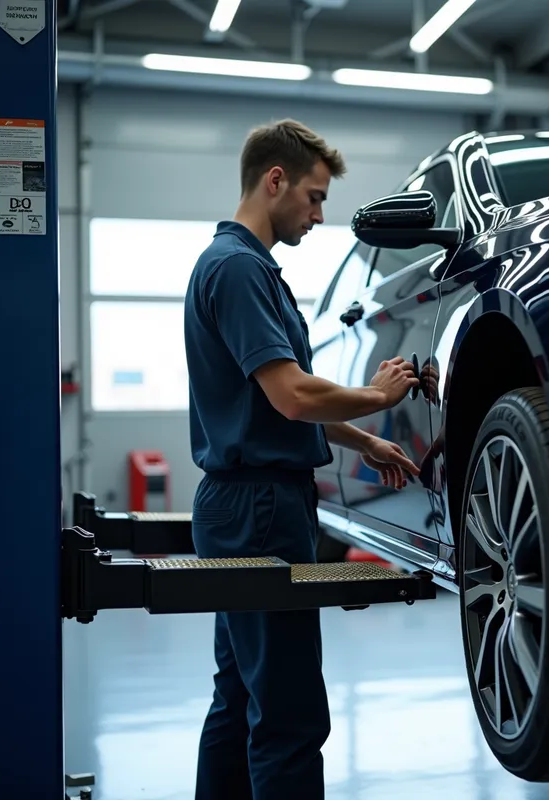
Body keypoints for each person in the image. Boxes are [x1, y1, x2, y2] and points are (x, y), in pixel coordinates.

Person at [183, 118, 420, 800]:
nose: (321, 215)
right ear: (274, 179)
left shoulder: (240, 267)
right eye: (314, 198)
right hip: (258, 509)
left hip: (245, 502)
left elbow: (276, 401)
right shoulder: (238, 270)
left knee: (239, 702)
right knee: (288, 716)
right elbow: (292, 395)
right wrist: (377, 395)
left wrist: (365, 439)